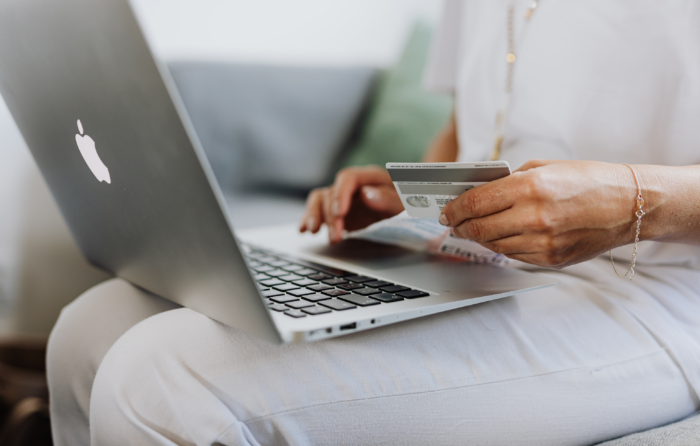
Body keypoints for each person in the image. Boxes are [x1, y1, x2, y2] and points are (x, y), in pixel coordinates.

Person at [47, 1, 700, 445]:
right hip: (478, 257)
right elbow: (464, 128)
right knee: (89, 328)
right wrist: (418, 191)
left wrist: (631, 199)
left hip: (646, 287)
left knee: (158, 381)